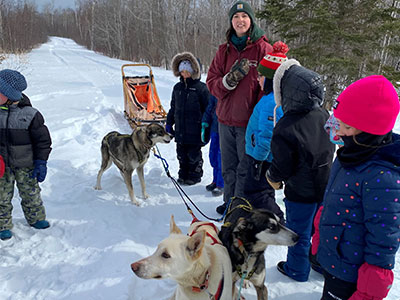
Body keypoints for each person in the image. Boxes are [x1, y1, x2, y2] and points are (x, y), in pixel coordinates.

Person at [314, 75, 400, 300]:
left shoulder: (383, 178)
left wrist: (368, 293)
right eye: (339, 122)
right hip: (336, 261)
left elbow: (383, 244)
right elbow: (333, 200)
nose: (339, 130)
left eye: (347, 126)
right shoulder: (350, 153)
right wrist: (319, 236)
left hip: (351, 276)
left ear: (370, 130)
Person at [265, 59, 335, 282]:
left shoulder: (285, 127)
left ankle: (297, 268)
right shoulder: (325, 115)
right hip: (325, 186)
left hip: (300, 193)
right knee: (321, 228)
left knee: (299, 233)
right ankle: (320, 263)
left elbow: (282, 165)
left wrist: (272, 177)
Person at [206, 0, 273, 214]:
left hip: (249, 124)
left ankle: (243, 209)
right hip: (225, 121)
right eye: (236, 17)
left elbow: (269, 89)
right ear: (231, 22)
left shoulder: (264, 48)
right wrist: (227, 82)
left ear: (251, 20)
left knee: (246, 170)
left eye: (244, 17)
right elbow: (211, 82)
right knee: (229, 169)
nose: (240, 20)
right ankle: (230, 204)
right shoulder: (223, 50)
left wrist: (260, 119)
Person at [236, 41, 288, 220]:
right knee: (265, 191)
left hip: (262, 159)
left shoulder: (271, 102)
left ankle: (278, 219)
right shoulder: (275, 99)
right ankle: (264, 218)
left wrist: (258, 161)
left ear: (271, 79)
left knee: (254, 192)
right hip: (266, 158)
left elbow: (266, 137)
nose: (258, 80)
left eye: (260, 76)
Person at [0, 69, 52, 241]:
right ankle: (2, 225)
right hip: (2, 166)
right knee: (1, 197)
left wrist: (40, 162)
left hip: (26, 165)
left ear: (10, 95)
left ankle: (36, 218)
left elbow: (43, 142)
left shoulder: (31, 115)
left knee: (31, 194)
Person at [166, 52, 209, 185]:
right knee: (181, 153)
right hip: (180, 128)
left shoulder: (201, 89)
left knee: (193, 154)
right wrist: (169, 123)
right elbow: (173, 107)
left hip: (195, 129)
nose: (185, 74)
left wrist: (205, 125)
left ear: (194, 71)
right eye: (182, 71)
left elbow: (208, 109)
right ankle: (183, 173)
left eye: (188, 71)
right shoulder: (177, 88)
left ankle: (195, 174)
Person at [201, 95, 224, 196]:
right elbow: (210, 107)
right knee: (213, 156)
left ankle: (221, 184)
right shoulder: (216, 90)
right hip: (214, 128)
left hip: (225, 129)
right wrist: (205, 121)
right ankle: (215, 180)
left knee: (221, 158)